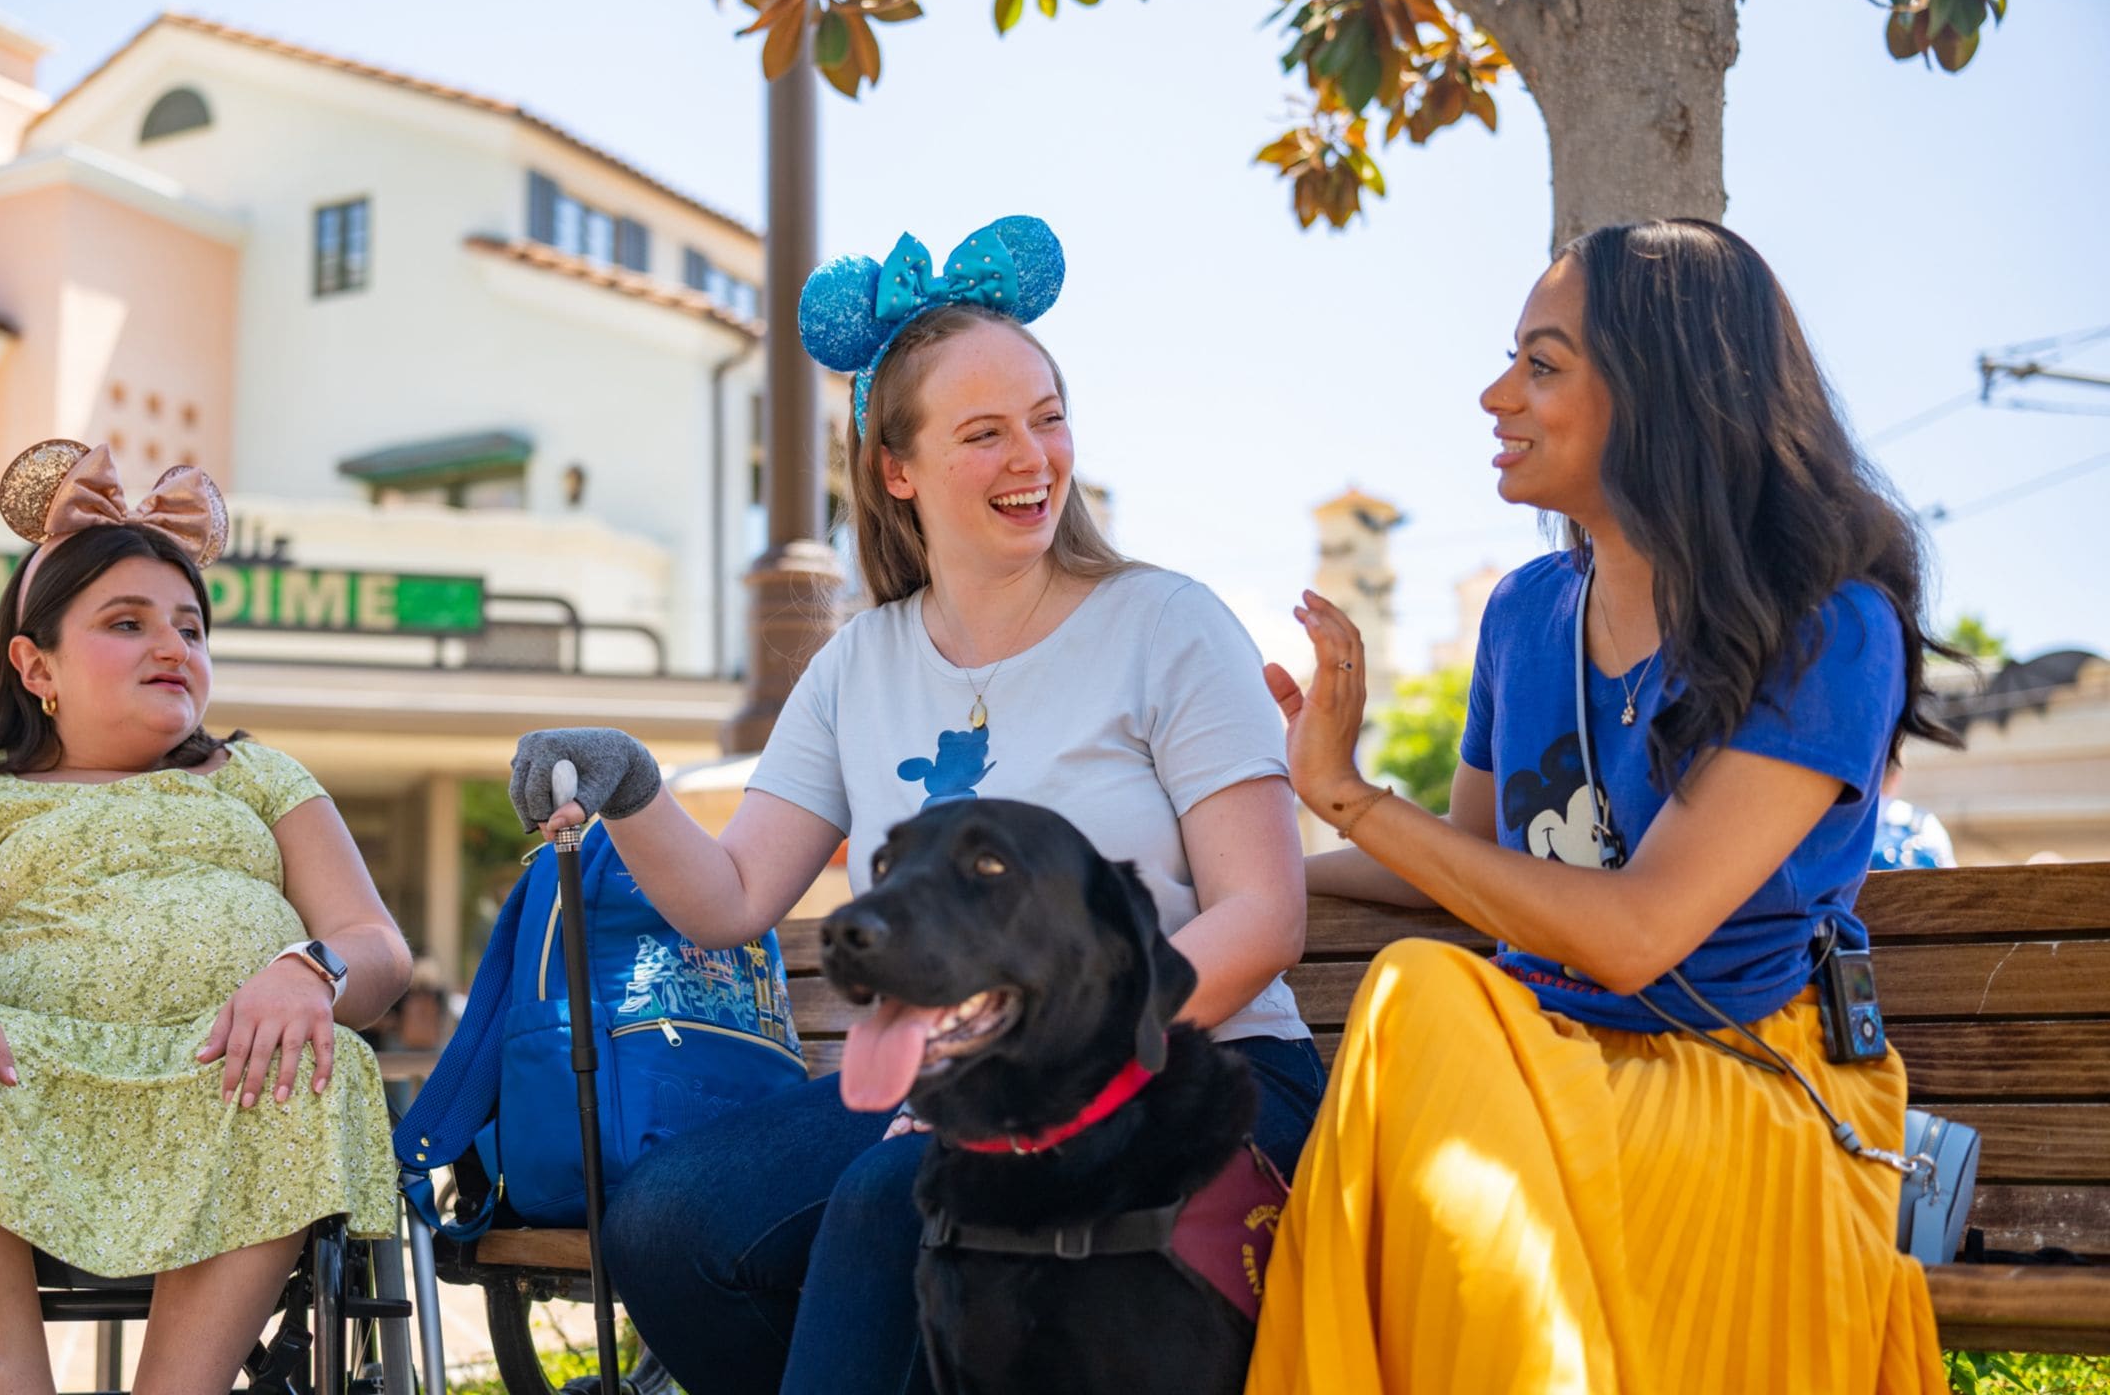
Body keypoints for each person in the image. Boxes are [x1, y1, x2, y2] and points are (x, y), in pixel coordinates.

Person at [510, 216, 1319, 1395]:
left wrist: (1041, 1074)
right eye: (984, 433)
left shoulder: (1167, 623)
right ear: (898, 469)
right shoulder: (859, 662)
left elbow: (1260, 917)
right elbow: (731, 900)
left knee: (904, 1191)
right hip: (954, 1070)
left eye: (1047, 419)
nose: (1033, 458)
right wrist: (633, 786)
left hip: (1194, 1070)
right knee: (669, 1225)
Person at [1250, 219, 1960, 1394]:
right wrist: (1231, 871)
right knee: (1428, 1006)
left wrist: (1350, 797)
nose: (1494, 396)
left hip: (1739, 1084)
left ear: (1664, 394)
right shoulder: (1526, 614)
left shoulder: (1827, 628)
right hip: (1538, 1066)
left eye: (1541, 365)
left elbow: (1635, 936)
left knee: (1421, 993)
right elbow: (1467, 862)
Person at [0, 442, 409, 1395]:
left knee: (322, 1067)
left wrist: (311, 969)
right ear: (34, 663)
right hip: (15, 1075)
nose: (174, 648)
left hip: (228, 1073)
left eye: (191, 628)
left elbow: (377, 945)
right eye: (127, 624)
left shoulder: (263, 778)